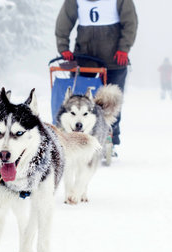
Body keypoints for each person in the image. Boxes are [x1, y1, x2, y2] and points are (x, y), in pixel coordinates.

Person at [55, 0, 138, 150]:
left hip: (114, 59)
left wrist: (124, 48)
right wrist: (63, 47)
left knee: (110, 102)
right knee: (78, 102)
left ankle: (110, 138)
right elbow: (64, 22)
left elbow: (130, 22)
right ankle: (72, 137)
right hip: (84, 58)